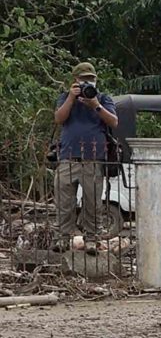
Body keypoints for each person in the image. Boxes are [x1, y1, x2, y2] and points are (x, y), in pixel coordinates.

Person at [53, 61, 120, 248]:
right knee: (64, 201)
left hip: (92, 158)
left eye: (91, 80)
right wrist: (71, 99)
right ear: (75, 81)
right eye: (84, 81)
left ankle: (92, 239)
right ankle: (62, 238)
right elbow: (59, 118)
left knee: (93, 203)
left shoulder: (103, 99)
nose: (88, 84)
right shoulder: (66, 97)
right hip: (68, 156)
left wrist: (95, 105)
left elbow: (114, 122)